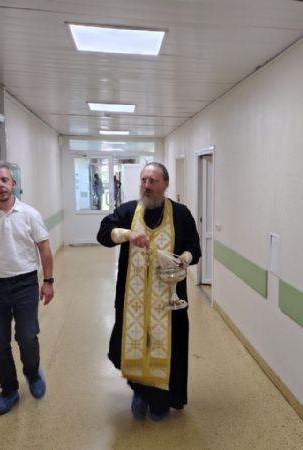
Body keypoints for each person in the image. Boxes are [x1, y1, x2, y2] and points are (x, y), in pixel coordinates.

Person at [96, 162, 201, 421]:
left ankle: (161, 400)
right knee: (132, 346)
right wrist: (127, 234)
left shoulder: (181, 214)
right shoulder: (128, 211)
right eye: (144, 180)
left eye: (153, 181)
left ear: (165, 184)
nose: (147, 185)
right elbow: (103, 233)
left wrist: (184, 259)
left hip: (169, 301)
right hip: (132, 300)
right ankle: (140, 393)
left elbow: (194, 248)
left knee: (168, 349)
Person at [0, 161, 54, 415]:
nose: (0, 185)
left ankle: (32, 373)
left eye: (4, 180)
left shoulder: (30, 214)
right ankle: (8, 390)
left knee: (27, 336)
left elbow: (44, 248)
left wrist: (48, 281)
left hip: (25, 284)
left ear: (13, 183)